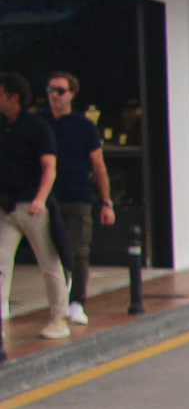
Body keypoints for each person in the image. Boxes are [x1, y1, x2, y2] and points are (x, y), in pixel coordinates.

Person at [0, 72, 72, 339]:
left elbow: (49, 167)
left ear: (13, 96)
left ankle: (59, 318)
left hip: (33, 206)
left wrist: (40, 199)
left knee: (50, 264)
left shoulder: (38, 127)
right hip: (7, 207)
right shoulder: (2, 126)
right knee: (1, 263)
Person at [43, 72, 113, 325]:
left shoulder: (83, 126)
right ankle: (59, 300)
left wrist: (106, 201)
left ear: (72, 93)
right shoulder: (41, 123)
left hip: (77, 196)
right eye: (50, 89)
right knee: (49, 252)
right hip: (46, 198)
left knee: (78, 251)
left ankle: (77, 301)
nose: (54, 95)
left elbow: (97, 164)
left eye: (60, 90)